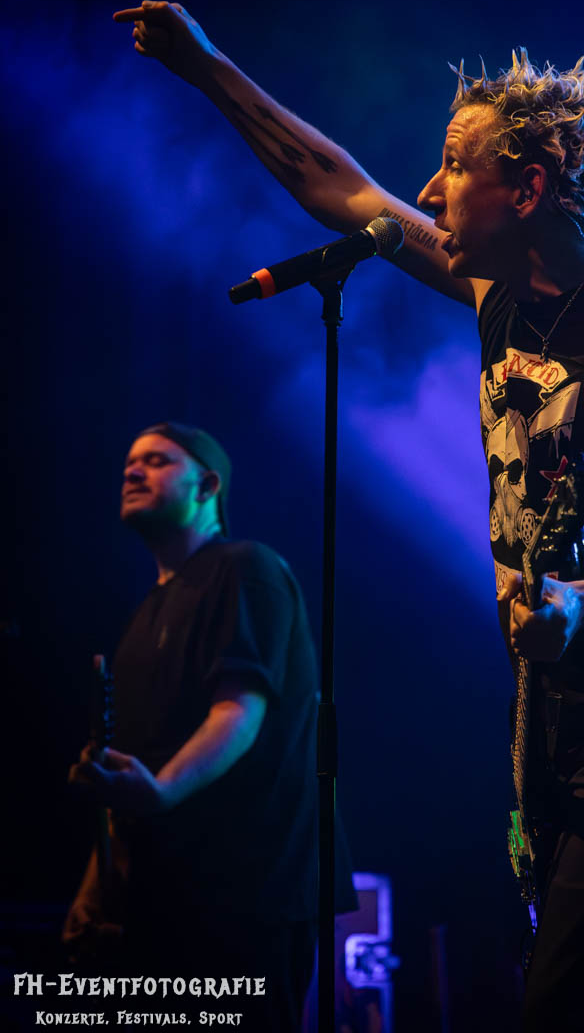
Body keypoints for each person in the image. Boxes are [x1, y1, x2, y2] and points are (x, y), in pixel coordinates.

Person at [112, 2, 584, 1031]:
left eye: (454, 166)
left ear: (528, 188)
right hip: (561, 731)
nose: (425, 191)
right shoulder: (500, 297)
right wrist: (208, 67)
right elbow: (342, 189)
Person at [65, 422, 321, 1031]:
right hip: (165, 899)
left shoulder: (245, 568)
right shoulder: (144, 614)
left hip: (245, 897)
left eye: (156, 461)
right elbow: (131, 772)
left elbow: (239, 711)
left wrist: (160, 793)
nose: (131, 471)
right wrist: (98, 884)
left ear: (207, 486)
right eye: (129, 463)